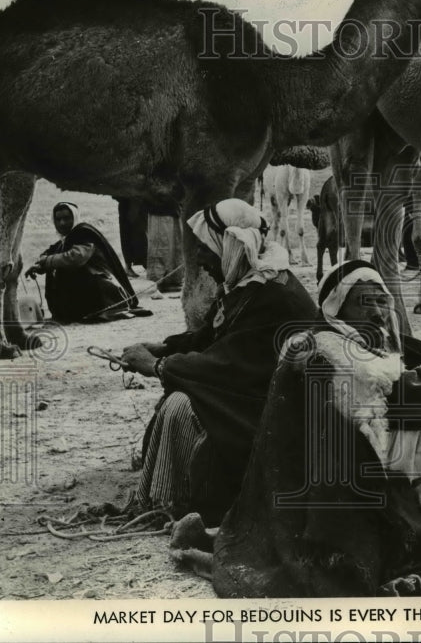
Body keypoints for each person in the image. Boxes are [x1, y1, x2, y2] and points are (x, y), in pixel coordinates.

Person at [169, 260, 421, 598]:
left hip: (351, 479)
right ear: (338, 309)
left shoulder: (354, 346)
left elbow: (402, 398)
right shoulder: (324, 346)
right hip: (329, 500)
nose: (378, 313)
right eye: (366, 304)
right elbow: (408, 399)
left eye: (383, 303)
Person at [120, 198, 318, 525]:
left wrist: (158, 367)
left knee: (180, 405)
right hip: (252, 397)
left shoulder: (273, 296)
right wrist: (161, 348)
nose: (198, 258)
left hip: (279, 419)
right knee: (181, 398)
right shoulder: (249, 283)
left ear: (230, 247)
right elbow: (212, 338)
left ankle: (169, 501)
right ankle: (161, 497)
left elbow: (226, 365)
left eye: (204, 248)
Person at [26, 202, 146, 323]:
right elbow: (50, 253)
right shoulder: (65, 239)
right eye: (58, 219)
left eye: (67, 218)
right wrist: (39, 266)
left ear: (75, 218)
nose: (62, 223)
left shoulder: (84, 233)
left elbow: (75, 258)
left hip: (102, 290)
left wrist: (46, 261)